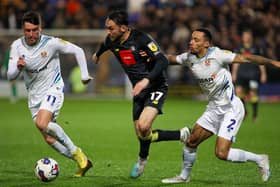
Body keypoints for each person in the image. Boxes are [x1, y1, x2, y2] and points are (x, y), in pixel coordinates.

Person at [162, 28, 280, 184]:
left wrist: (273, 62)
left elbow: (249, 59)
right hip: (213, 109)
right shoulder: (189, 57)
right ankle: (184, 176)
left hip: (231, 108)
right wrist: (151, 56)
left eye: (196, 40)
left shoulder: (218, 55)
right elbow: (170, 59)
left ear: (206, 43)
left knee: (221, 153)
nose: (191, 42)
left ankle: (260, 159)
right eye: (191, 39)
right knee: (191, 141)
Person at [92, 10, 190, 178]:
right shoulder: (112, 40)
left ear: (123, 28)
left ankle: (141, 161)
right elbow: (105, 44)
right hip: (139, 91)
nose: (108, 32)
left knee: (144, 126)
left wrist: (146, 81)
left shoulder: (141, 39)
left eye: (111, 28)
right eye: (107, 28)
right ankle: (180, 135)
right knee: (141, 133)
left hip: (156, 86)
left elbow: (163, 60)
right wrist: (97, 54)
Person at [7, 11, 93, 177]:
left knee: (41, 123)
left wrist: (84, 75)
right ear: (23, 30)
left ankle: (77, 153)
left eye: (34, 30)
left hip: (53, 88)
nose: (31, 34)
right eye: (27, 30)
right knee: (48, 138)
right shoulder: (17, 46)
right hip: (34, 97)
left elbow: (78, 50)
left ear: (40, 28)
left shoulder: (51, 43)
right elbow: (11, 75)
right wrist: (18, 67)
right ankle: (83, 162)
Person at [232, 29, 267, 122]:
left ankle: (255, 116)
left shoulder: (256, 48)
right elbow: (236, 62)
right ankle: (244, 111)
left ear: (251, 37)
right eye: (245, 36)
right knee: (239, 92)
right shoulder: (238, 48)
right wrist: (234, 73)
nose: (246, 37)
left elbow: (261, 61)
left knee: (253, 93)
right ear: (242, 37)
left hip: (253, 74)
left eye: (248, 36)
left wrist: (263, 73)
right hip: (241, 73)